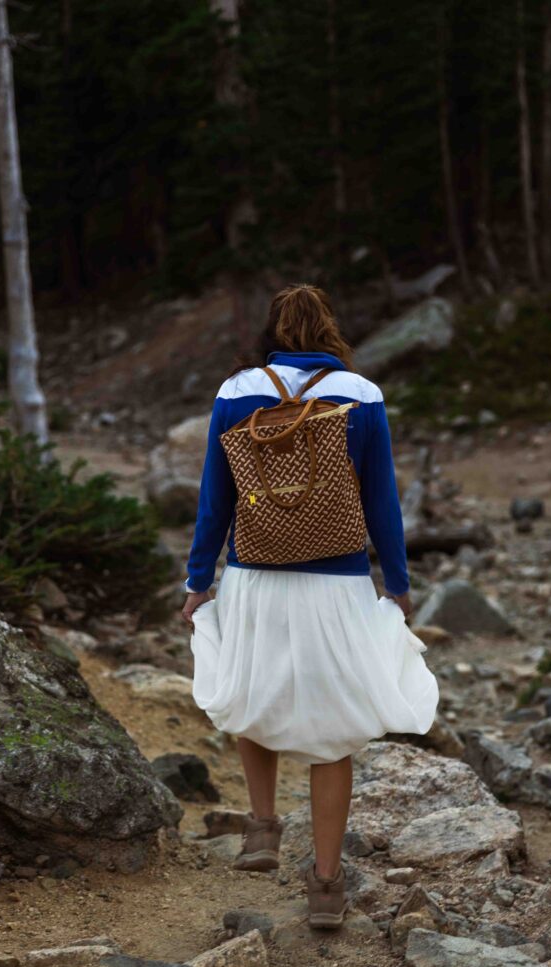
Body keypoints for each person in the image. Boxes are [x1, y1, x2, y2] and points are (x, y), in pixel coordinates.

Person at [182, 283, 438, 929]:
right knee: (332, 733)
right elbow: (381, 502)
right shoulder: (360, 394)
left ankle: (263, 825)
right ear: (328, 332)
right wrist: (397, 584)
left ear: (272, 331)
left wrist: (197, 582)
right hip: (338, 580)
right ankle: (325, 886)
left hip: (253, 574)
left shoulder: (236, 391)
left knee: (251, 690)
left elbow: (216, 499)